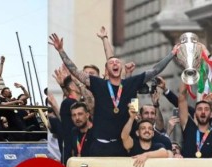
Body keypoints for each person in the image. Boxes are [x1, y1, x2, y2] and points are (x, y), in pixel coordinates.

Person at [49, 33, 177, 156]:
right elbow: (75, 71)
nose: (115, 63)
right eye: (111, 63)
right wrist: (61, 50)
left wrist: (172, 54)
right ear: (107, 69)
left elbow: (155, 70)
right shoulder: (98, 84)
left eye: (117, 62)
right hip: (100, 145)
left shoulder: (130, 83)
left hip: (122, 145)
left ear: (120, 67)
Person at [178, 83, 212, 158]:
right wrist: (186, 78)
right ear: (195, 114)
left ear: (211, 114)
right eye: (199, 109)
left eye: (206, 109)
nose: (203, 112)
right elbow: (182, 99)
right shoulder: (188, 127)